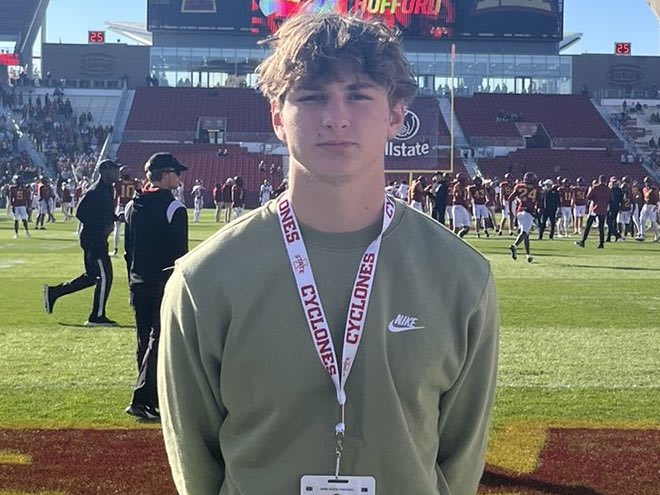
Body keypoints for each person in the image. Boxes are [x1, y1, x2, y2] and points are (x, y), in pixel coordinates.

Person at [157, 12, 498, 495]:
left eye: (358, 94)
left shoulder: (462, 276)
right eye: (312, 97)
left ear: (396, 114)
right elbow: (196, 463)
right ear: (278, 116)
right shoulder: (203, 280)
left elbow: (459, 460)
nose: (336, 116)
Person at [124, 152, 189, 421]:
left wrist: (131, 279)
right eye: (176, 172)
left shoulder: (132, 206)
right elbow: (180, 256)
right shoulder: (175, 208)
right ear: (164, 176)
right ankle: (143, 399)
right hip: (162, 283)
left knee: (144, 341)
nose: (179, 177)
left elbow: (129, 250)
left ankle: (149, 397)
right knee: (158, 339)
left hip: (137, 281)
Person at [43, 159, 121, 326]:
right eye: (115, 169)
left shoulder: (107, 189)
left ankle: (54, 292)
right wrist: (101, 226)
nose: (118, 172)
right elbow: (80, 212)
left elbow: (102, 212)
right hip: (94, 240)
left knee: (92, 277)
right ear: (105, 170)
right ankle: (97, 316)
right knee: (105, 277)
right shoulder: (95, 190)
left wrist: (114, 218)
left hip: (96, 239)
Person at [508, 171, 540, 262]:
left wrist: (511, 211)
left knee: (526, 235)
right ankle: (514, 245)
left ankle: (528, 254)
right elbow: (539, 202)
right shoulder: (537, 188)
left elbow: (510, 199)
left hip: (519, 211)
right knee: (525, 232)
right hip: (528, 212)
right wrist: (538, 210)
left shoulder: (519, 186)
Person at [575, 174, 611, 249]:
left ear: (599, 180)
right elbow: (610, 199)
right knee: (601, 227)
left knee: (588, 225)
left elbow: (588, 197)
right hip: (603, 209)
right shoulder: (608, 189)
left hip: (595, 208)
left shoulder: (595, 187)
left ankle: (583, 241)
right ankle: (601, 243)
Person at [112, 166, 138, 256]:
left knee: (117, 229)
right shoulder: (134, 182)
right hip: (131, 206)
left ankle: (115, 249)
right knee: (131, 229)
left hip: (121, 206)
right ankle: (130, 249)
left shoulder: (118, 183)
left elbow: (115, 196)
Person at [636, 176, 659, 241]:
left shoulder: (654, 189)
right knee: (642, 219)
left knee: (653, 221)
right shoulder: (644, 189)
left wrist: (656, 206)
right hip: (645, 205)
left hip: (652, 206)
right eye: (646, 182)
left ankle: (657, 235)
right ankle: (642, 235)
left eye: (648, 182)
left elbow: (657, 198)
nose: (647, 184)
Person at [8, 175, 32, 239]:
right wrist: (29, 206)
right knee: (20, 220)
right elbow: (28, 198)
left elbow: (11, 198)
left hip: (19, 205)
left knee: (19, 220)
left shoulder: (14, 188)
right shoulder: (23, 188)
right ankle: (22, 233)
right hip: (19, 205)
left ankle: (21, 233)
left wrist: (11, 205)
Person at [606, 176, 623, 242]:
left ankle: (617, 235)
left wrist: (620, 207)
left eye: (615, 182)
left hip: (614, 208)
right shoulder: (608, 189)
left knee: (609, 222)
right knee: (611, 223)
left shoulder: (618, 190)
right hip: (608, 207)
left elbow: (621, 200)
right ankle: (610, 237)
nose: (614, 183)